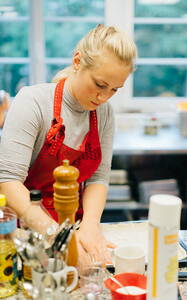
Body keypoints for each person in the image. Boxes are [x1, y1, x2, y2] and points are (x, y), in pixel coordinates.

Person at [0, 24, 137, 266]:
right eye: (100, 84)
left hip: (73, 226)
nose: (104, 97)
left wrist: (90, 226)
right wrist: (59, 238)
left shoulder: (103, 113)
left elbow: (98, 178)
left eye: (115, 89)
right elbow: (8, 180)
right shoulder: (32, 101)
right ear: (77, 61)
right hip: (24, 232)